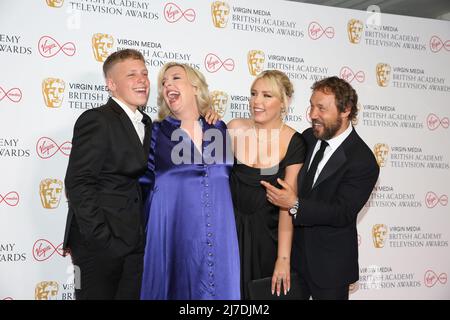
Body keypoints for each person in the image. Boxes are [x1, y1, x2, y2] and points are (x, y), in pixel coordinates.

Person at [261, 76, 379, 300]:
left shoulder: (363, 160)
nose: (313, 114)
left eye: (321, 108)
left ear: (345, 110)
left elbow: (341, 212)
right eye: (312, 106)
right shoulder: (308, 138)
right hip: (292, 262)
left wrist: (294, 204)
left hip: (330, 269)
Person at [140, 62, 240, 300]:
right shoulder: (155, 132)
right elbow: (143, 187)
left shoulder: (218, 128)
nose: (168, 85)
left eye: (175, 78)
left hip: (220, 237)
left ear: (195, 87)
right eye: (164, 83)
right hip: (174, 237)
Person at [62, 49, 152, 299]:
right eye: (131, 74)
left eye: (144, 73)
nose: (142, 80)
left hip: (134, 243)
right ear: (111, 84)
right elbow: (78, 183)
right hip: (100, 245)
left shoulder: (146, 123)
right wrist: (103, 241)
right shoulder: (97, 120)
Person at [227, 70, 306, 298]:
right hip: (230, 233)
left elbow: (287, 205)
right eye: (253, 94)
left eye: (266, 95)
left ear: (284, 102)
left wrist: (283, 258)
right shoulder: (233, 129)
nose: (256, 101)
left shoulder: (294, 142)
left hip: (267, 239)